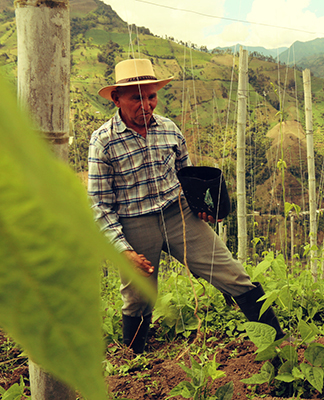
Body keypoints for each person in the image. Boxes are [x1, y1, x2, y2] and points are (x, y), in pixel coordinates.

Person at [88, 58, 285, 353]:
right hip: (134, 222)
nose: (146, 105)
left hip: (177, 213)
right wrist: (123, 250)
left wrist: (201, 206)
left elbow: (186, 175)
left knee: (233, 274)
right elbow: (100, 204)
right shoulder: (103, 141)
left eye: (151, 96)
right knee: (138, 297)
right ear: (116, 99)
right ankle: (136, 360)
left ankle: (278, 341)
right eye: (136, 98)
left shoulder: (169, 129)